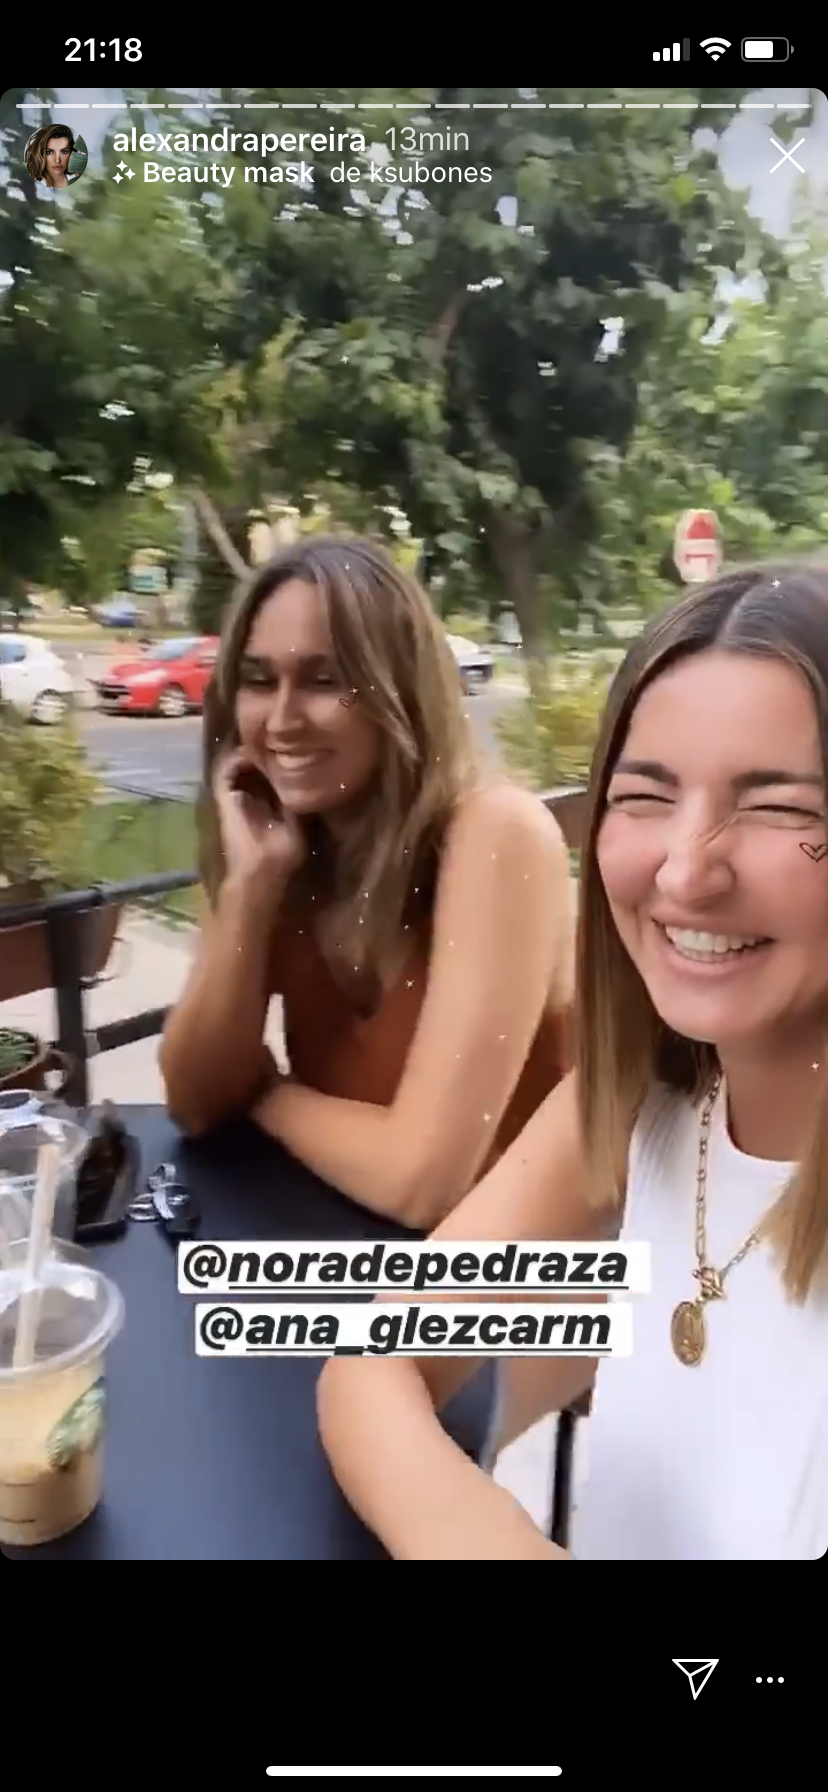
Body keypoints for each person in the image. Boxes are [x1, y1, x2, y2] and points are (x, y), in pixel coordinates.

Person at [317, 564, 828, 1560]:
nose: (685, 869)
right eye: (645, 796)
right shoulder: (640, 1100)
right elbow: (374, 1359)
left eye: (779, 808)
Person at [160, 535, 574, 1228]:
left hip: (517, 1270)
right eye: (259, 681)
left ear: (400, 692)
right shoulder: (275, 845)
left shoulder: (497, 835)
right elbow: (196, 1103)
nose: (282, 721)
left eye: (324, 680)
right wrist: (250, 891)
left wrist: (265, 1093)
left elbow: (421, 1184)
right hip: (341, 1235)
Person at [24, 125, 81, 190]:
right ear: (40, 154)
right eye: (49, 152)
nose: (57, 160)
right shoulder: (35, 187)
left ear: (71, 153)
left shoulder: (79, 180)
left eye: (64, 152)